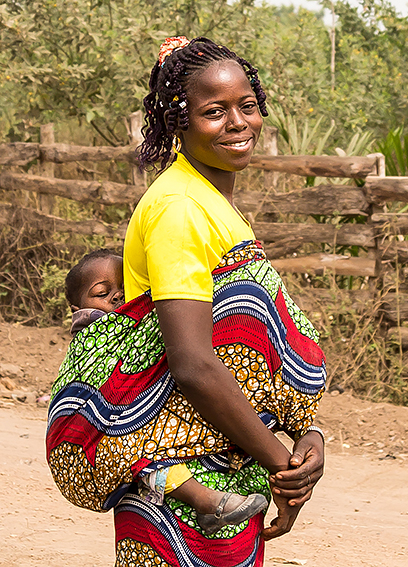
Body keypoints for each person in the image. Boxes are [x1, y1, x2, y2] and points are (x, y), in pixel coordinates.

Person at [46, 36, 326, 567]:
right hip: (180, 480)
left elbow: (246, 347)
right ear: (178, 120)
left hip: (225, 456)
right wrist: (283, 464)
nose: (238, 123)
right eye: (213, 112)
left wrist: (301, 431)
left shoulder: (209, 202)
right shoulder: (179, 207)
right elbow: (194, 363)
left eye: (247, 106)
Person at [63, 248, 269, 535]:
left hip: (137, 422)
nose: (117, 297)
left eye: (125, 287)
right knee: (143, 461)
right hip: (109, 430)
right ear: (77, 307)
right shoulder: (92, 332)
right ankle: (205, 500)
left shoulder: (139, 323)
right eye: (102, 292)